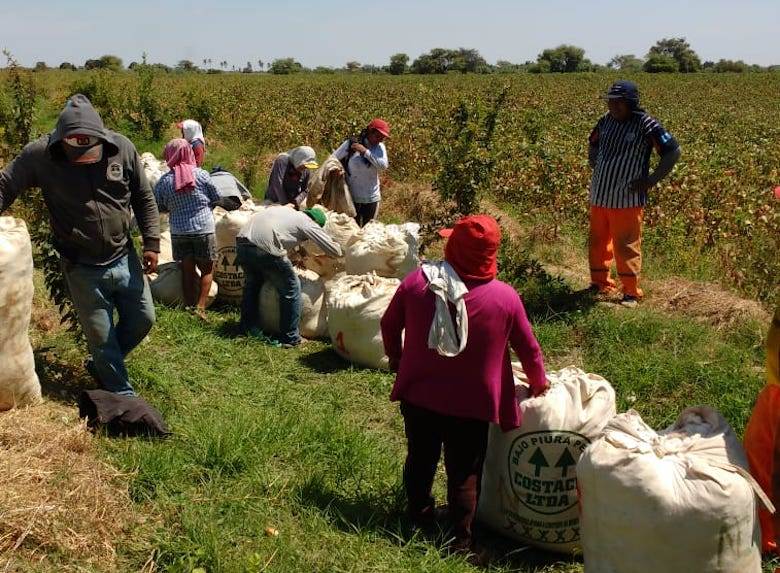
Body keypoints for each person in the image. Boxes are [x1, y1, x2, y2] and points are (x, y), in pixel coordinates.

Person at [380, 214, 548, 559]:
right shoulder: (505, 298)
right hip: (472, 405)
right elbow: (529, 349)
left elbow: (389, 323)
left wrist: (397, 358)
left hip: (420, 395)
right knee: (464, 472)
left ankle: (419, 516)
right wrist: (538, 383)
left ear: (454, 246)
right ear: (491, 254)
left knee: (420, 457)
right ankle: (460, 542)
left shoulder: (419, 283)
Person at [0, 94, 160, 397]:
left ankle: (103, 366)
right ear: (61, 141)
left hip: (123, 255)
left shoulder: (122, 148)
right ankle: (122, 396)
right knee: (101, 338)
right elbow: (5, 184)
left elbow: (143, 196)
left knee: (143, 319)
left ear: (102, 137)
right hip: (81, 265)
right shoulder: (40, 155)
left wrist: (152, 242)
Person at [587, 80, 681, 307]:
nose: (613, 106)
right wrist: (595, 162)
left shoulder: (646, 124)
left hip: (627, 198)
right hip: (600, 194)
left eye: (619, 102)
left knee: (626, 245)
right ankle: (600, 284)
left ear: (631, 103)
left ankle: (631, 292)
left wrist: (651, 180)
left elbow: (672, 151)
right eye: (611, 102)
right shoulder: (605, 120)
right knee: (598, 242)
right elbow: (593, 142)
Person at [235, 206, 341, 347]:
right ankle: (290, 337)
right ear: (315, 221)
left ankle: (247, 328)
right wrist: (338, 251)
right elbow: (335, 251)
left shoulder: (288, 213)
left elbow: (284, 234)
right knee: (291, 288)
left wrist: (301, 252)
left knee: (252, 285)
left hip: (242, 243)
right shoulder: (307, 222)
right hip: (264, 247)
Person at [154, 138, 220, 319]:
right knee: (207, 269)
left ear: (169, 155)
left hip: (179, 231)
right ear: (189, 153)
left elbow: (159, 206)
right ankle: (201, 307)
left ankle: (189, 306)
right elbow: (216, 197)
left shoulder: (164, 181)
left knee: (187, 270)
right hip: (203, 229)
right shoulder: (202, 175)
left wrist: (174, 207)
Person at [333, 118, 390, 227]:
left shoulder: (380, 148)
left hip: (372, 197)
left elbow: (383, 166)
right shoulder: (351, 144)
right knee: (352, 228)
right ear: (370, 131)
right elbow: (333, 159)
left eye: (382, 138)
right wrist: (337, 170)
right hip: (351, 196)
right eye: (377, 136)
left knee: (368, 230)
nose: (379, 140)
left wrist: (365, 152)